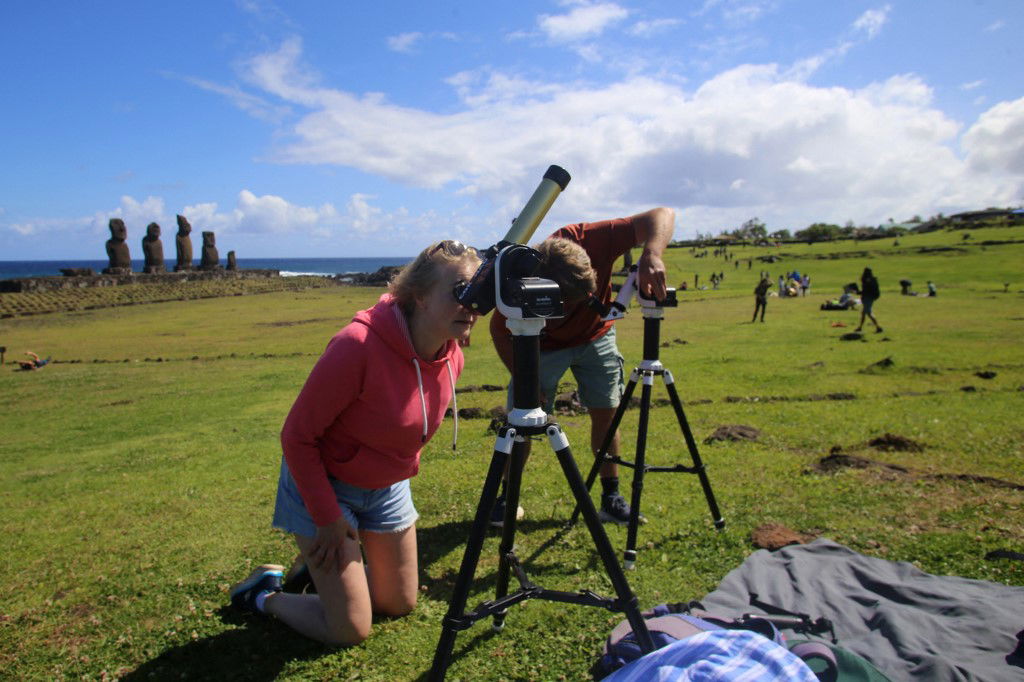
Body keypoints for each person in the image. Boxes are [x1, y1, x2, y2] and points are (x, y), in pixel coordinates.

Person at [229, 240, 481, 645]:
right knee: (350, 627)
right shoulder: (356, 346)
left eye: (476, 292)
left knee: (399, 603)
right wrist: (327, 518)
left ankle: (312, 573)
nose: (471, 305)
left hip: (386, 487)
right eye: (459, 292)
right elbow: (297, 437)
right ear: (419, 296)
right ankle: (264, 595)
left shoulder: (451, 354)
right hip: (325, 485)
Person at [489, 207, 673, 526]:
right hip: (540, 346)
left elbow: (663, 214)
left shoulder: (594, 239)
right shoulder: (523, 275)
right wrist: (524, 377)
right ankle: (507, 498)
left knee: (606, 411)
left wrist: (652, 253)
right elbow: (499, 329)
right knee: (521, 421)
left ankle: (611, 497)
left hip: (596, 335)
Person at [854, 267, 882, 333]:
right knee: (863, 313)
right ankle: (860, 327)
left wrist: (858, 292)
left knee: (869, 313)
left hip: (867, 298)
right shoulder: (872, 280)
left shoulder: (867, 280)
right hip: (869, 297)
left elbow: (865, 291)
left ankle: (878, 327)